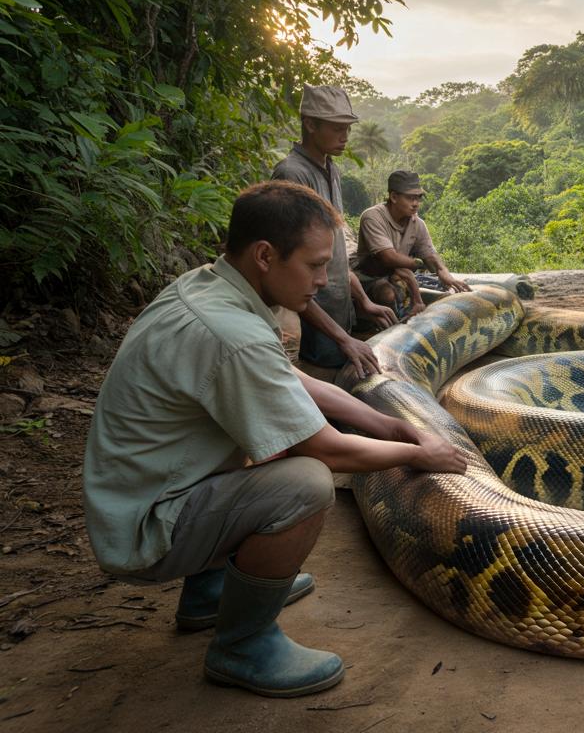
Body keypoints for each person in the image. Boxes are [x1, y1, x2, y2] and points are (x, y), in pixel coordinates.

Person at [82, 181, 468, 697]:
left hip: (146, 493)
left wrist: (389, 422)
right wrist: (421, 450)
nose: (323, 281)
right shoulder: (229, 334)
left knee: (259, 437)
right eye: (313, 266)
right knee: (304, 483)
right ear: (265, 255)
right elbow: (327, 449)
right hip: (146, 528)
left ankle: (211, 591)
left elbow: (290, 382)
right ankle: (242, 644)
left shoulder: (210, 288)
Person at [272, 84, 396, 376]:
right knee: (321, 389)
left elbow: (335, 251)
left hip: (338, 315)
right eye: (337, 128)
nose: (345, 137)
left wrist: (363, 301)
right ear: (310, 124)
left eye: (348, 129)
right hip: (310, 325)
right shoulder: (292, 174)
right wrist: (342, 337)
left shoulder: (331, 170)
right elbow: (290, 272)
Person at [354, 170, 470, 320]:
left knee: (438, 296)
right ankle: (368, 322)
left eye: (418, 198)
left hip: (394, 274)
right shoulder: (373, 217)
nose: (416, 204)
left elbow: (431, 256)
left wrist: (445, 274)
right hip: (367, 275)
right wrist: (419, 264)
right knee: (387, 295)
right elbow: (389, 258)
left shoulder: (417, 224)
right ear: (394, 197)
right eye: (410, 198)